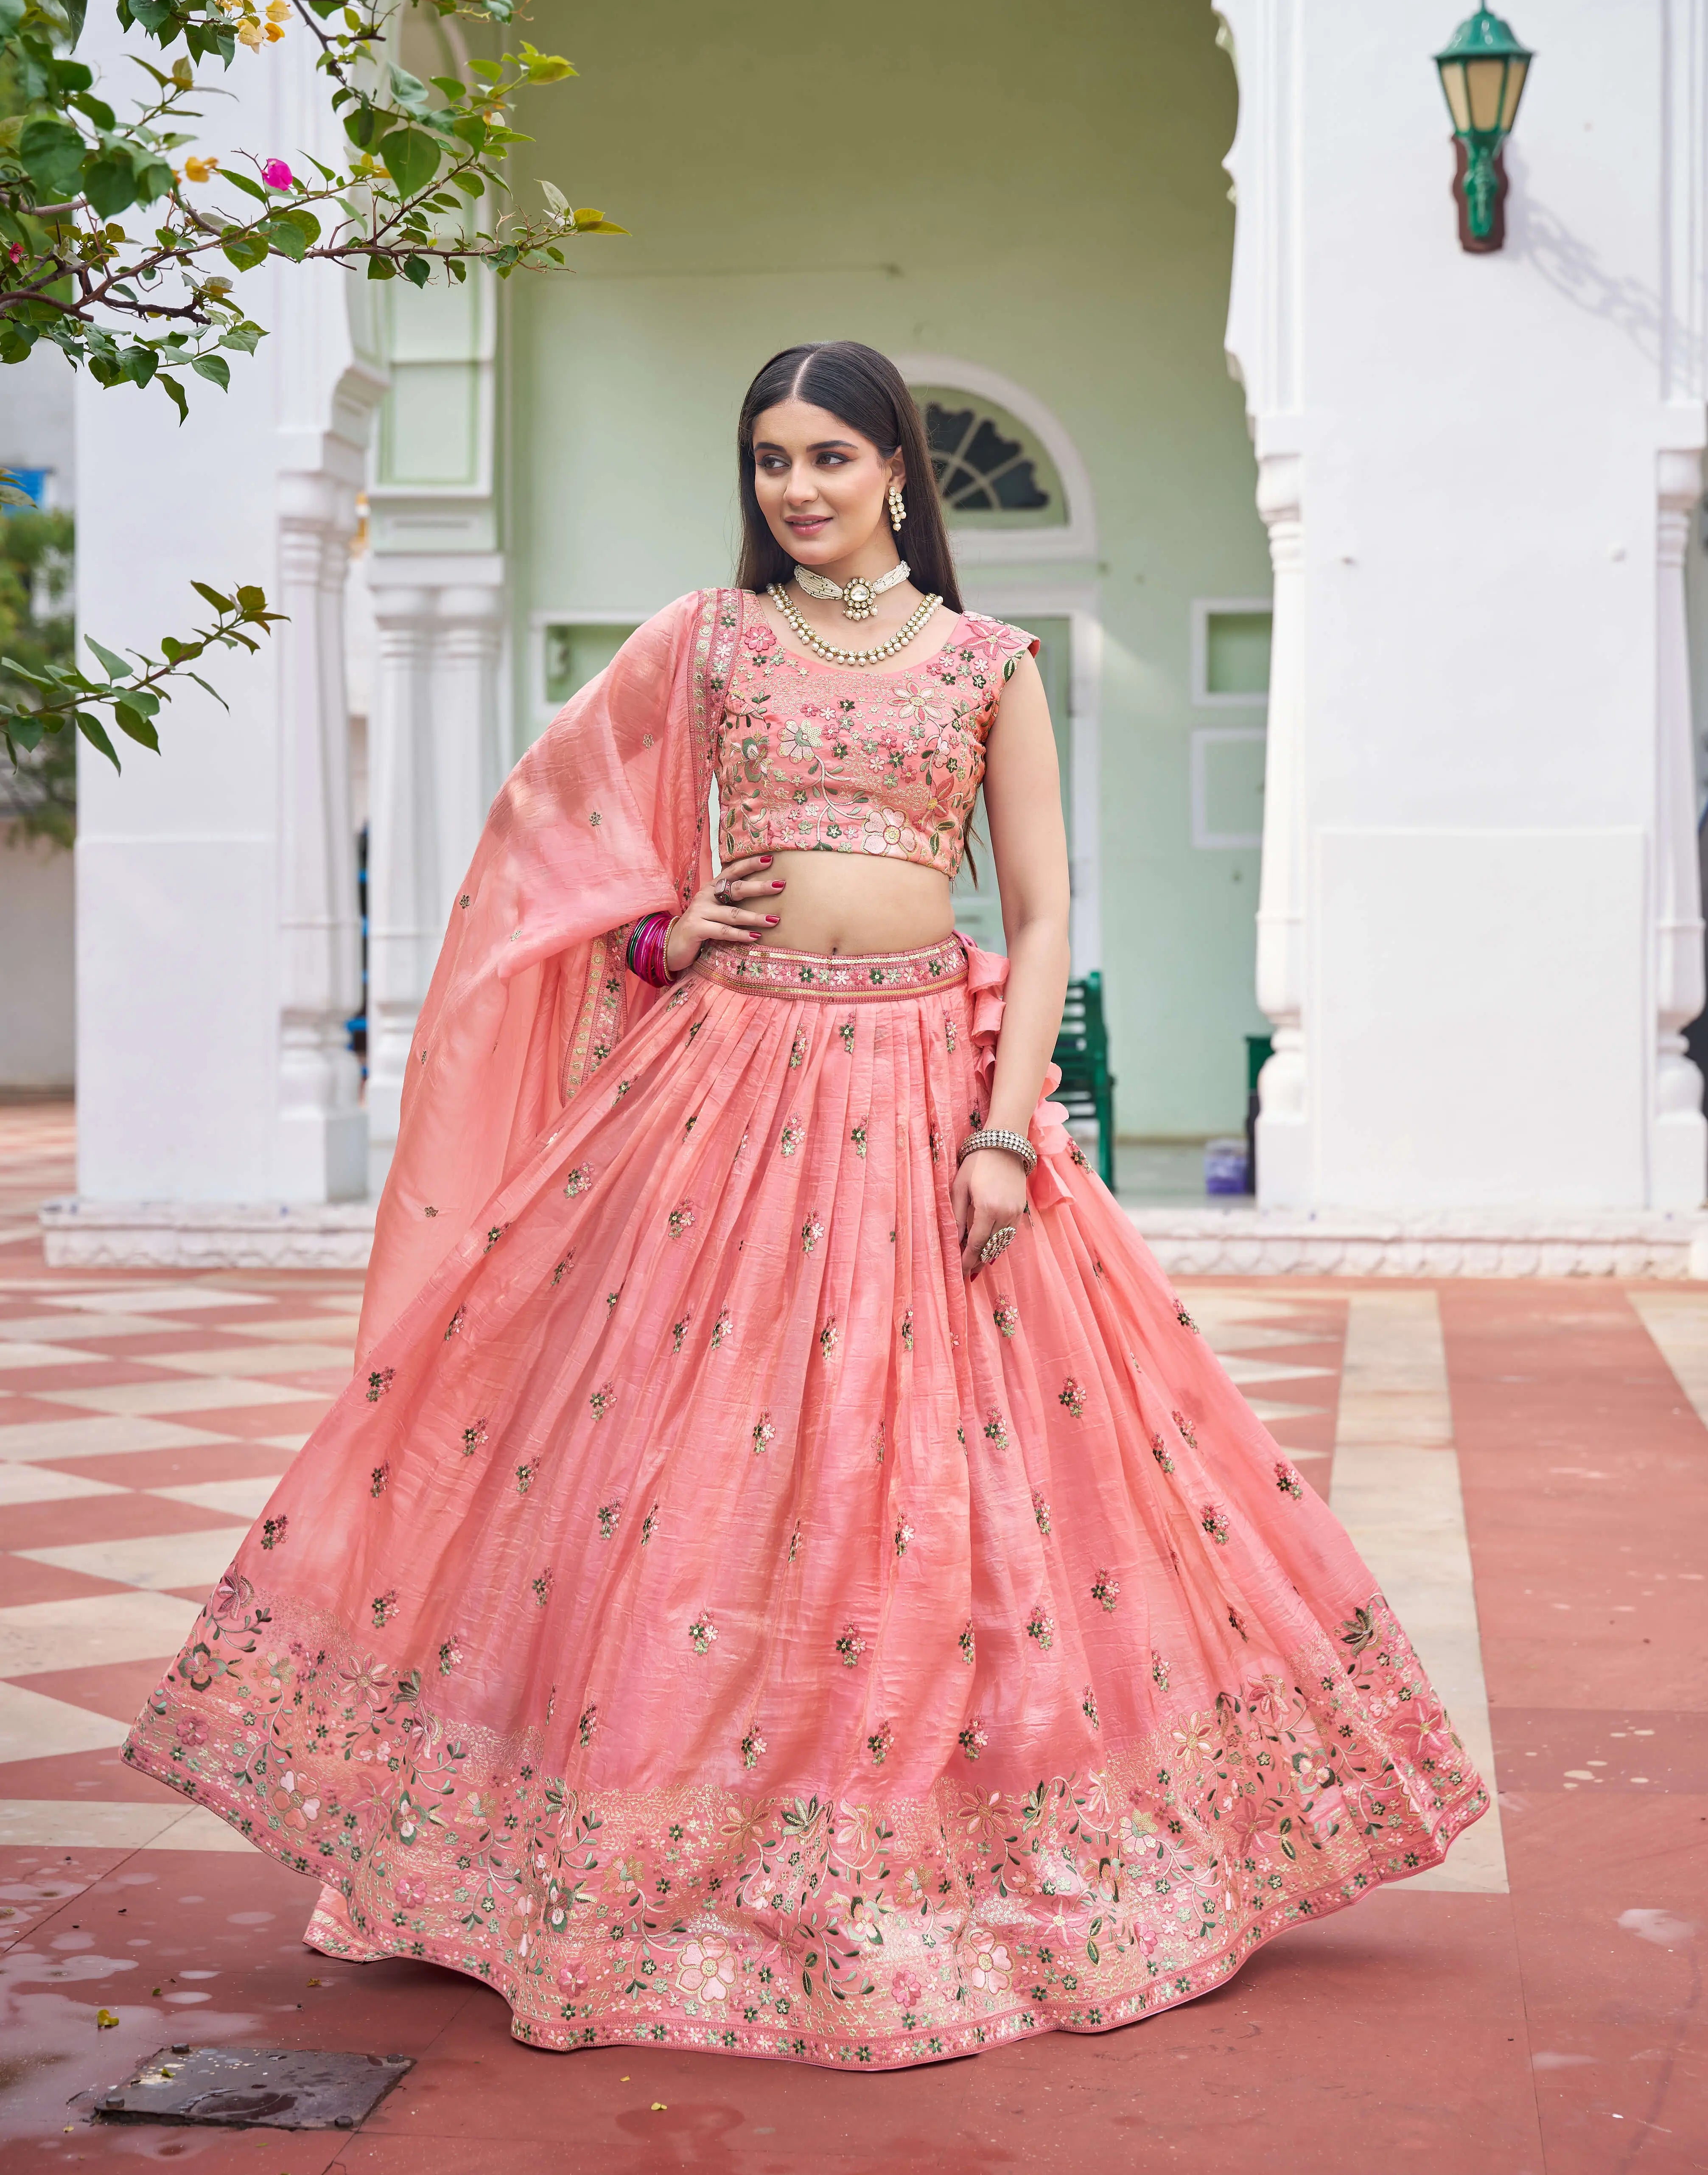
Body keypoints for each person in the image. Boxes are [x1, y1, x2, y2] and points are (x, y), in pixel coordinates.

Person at [126, 340, 1488, 2068]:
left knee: (929, 1472)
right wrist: (653, 931)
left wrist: (1005, 1127)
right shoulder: (703, 642)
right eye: (770, 456)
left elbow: (1049, 914)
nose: (795, 486)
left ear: (901, 470)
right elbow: (544, 831)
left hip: (927, 1091)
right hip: (723, 1082)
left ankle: (933, 1839)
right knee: (683, 1464)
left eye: (829, 455)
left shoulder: (988, 664)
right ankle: (638, 1849)